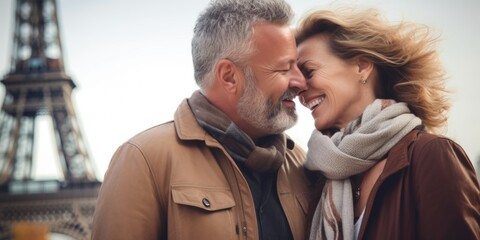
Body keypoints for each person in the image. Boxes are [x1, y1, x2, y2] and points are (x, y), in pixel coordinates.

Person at [91, 0, 315, 239]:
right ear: (229, 77)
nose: (301, 82)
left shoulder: (301, 162)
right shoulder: (143, 160)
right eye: (283, 69)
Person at [295, 6, 480, 240]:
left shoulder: (431, 155)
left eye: (309, 71)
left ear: (362, 66)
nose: (298, 88)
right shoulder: (316, 175)